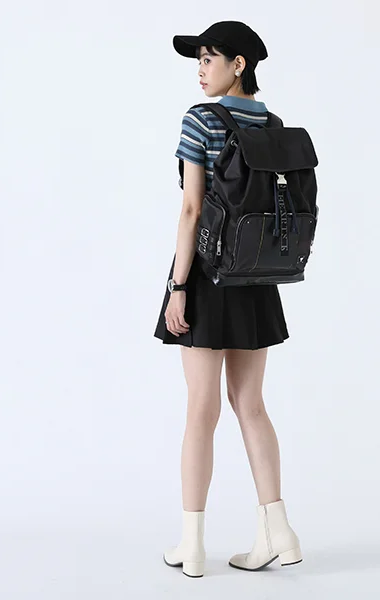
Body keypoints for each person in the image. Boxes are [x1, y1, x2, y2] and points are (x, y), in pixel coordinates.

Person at [154, 21, 302, 578]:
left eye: (210, 58)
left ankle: (192, 545)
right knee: (252, 405)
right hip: (257, 277)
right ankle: (278, 530)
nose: (200, 69)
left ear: (239, 64)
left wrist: (178, 287)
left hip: (207, 276)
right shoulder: (272, 125)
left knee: (202, 408)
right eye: (199, 59)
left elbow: (192, 210)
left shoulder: (201, 120)